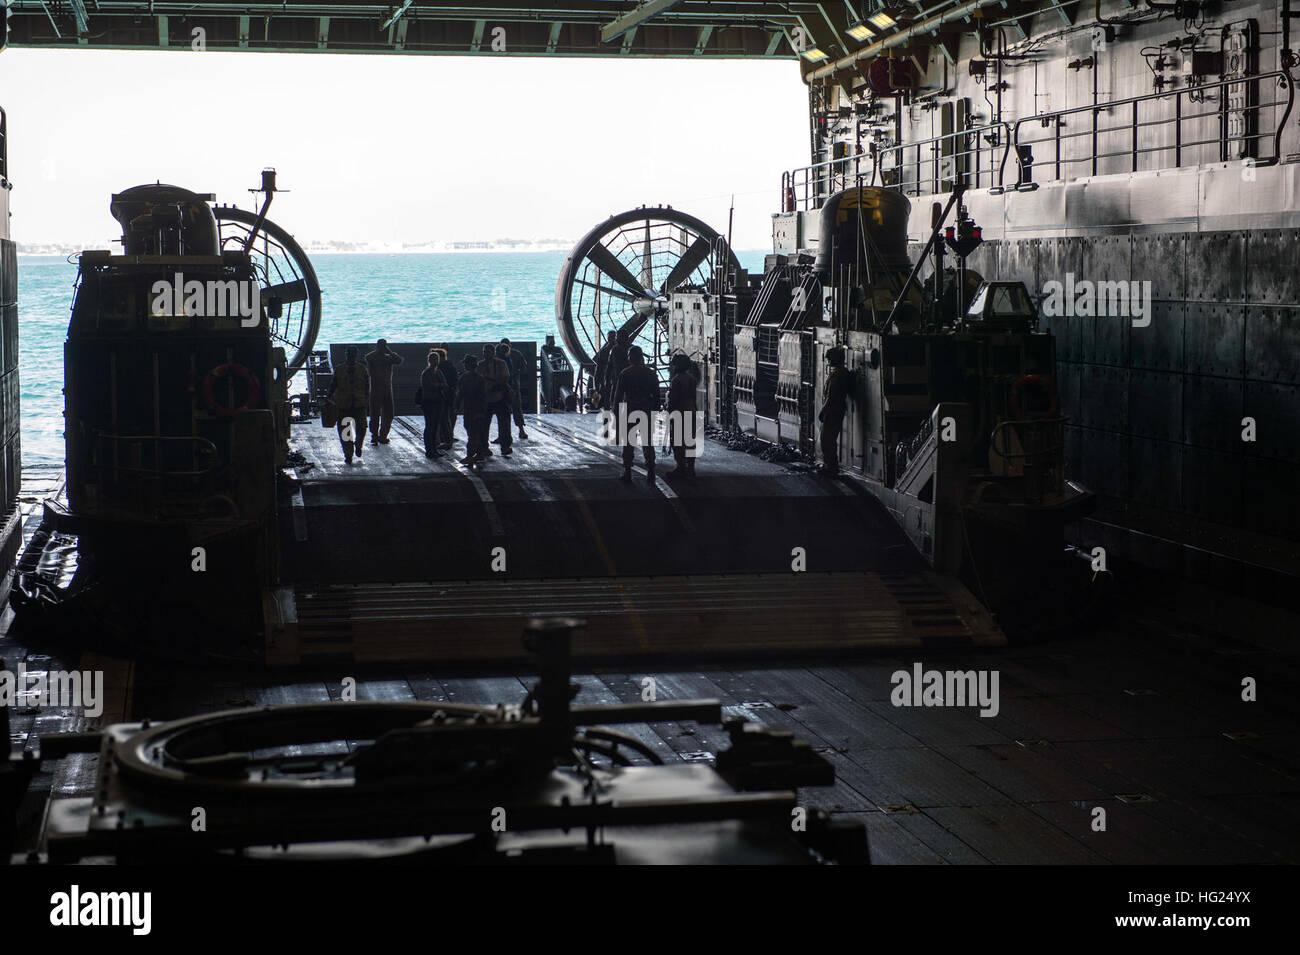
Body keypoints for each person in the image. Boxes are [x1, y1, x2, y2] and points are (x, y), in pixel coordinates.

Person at [613, 345, 661, 484]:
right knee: (647, 442)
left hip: (630, 410)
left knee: (628, 442)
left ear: (631, 357)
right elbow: (657, 395)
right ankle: (651, 471)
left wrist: (615, 411)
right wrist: (655, 409)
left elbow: (618, 395)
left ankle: (627, 471)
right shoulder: (651, 374)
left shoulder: (625, 373)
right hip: (646, 409)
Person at [328, 346, 370, 465]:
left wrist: (366, 399)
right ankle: (348, 454)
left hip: (359, 403)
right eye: (349, 354)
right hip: (344, 405)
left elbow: (367, 386)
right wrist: (328, 396)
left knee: (361, 428)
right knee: (345, 432)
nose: (350, 356)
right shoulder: (340, 369)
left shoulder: (362, 369)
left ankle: (358, 444)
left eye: (352, 354)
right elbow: (334, 384)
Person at [818, 347, 853, 476]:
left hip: (832, 411)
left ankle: (831, 467)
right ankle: (831, 466)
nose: (828, 361)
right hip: (837, 410)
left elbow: (831, 396)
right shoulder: (843, 372)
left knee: (826, 439)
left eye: (830, 358)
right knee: (830, 439)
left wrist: (823, 411)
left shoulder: (838, 375)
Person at [364, 339, 404, 445]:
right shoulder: (380, 357)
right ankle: (377, 435)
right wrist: (388, 352)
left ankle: (380, 435)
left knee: (385, 413)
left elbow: (399, 360)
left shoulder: (385, 358)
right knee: (378, 413)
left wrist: (389, 352)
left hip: (383, 388)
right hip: (378, 387)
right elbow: (398, 360)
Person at [666, 353, 698, 480]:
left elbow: (673, 399)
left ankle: (680, 467)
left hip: (679, 411)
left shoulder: (677, 380)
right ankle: (691, 468)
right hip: (691, 410)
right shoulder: (691, 378)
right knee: (690, 441)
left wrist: (669, 411)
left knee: (678, 441)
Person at [481, 343, 513, 457]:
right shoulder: (480, 365)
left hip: (500, 396)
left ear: (494, 353)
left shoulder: (501, 364)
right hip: (486, 398)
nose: (486, 354)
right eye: (485, 352)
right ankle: (484, 447)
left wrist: (493, 384)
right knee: (484, 425)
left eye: (489, 352)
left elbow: (505, 378)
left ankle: (505, 446)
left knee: (504, 423)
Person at [456, 354, 488, 465]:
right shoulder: (479, 379)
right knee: (475, 432)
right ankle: (479, 453)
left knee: (472, 433)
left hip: (472, 409)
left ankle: (470, 455)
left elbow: (460, 394)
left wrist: (456, 406)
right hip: (473, 409)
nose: (464, 365)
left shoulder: (465, 378)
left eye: (466, 364)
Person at [418, 350, 448, 458]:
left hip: (437, 401)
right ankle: (429, 449)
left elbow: (444, 385)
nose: (435, 361)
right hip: (429, 401)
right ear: (429, 360)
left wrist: (438, 385)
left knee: (435, 426)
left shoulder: (438, 372)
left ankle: (433, 449)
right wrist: (439, 385)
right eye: (433, 359)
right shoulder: (427, 373)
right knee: (430, 426)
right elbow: (430, 386)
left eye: (436, 359)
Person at [501, 337, 529, 441]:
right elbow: (524, 368)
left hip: (503, 386)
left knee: (504, 411)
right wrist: (516, 373)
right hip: (514, 384)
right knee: (517, 408)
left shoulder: (499, 356)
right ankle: (521, 430)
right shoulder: (516, 354)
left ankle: (504, 435)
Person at [435, 348, 457, 449]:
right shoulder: (450, 366)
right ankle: (447, 437)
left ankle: (446, 438)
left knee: (443, 418)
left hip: (443, 395)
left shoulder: (439, 369)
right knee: (448, 417)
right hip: (450, 395)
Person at [595, 330, 617, 408]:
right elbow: (598, 369)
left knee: (607, 402)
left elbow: (598, 369)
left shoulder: (604, 351)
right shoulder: (618, 350)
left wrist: (597, 385)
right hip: (610, 380)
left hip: (607, 380)